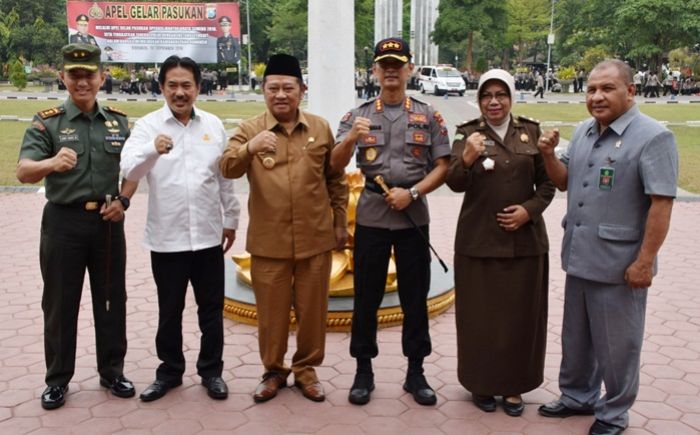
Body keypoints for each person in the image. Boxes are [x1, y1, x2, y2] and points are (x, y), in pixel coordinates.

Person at [536, 59, 678, 435]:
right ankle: (577, 396)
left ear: (630, 91)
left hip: (621, 263)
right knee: (577, 338)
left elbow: (662, 204)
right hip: (580, 254)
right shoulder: (584, 131)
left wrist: (645, 261)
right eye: (591, 89)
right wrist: (549, 155)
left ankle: (614, 412)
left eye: (607, 88)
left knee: (618, 346)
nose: (596, 96)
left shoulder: (653, 137)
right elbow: (565, 182)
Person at [220, 53, 348, 404]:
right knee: (271, 316)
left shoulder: (320, 128)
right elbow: (227, 167)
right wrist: (251, 147)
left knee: (313, 313)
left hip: (315, 237)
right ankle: (273, 371)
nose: (280, 94)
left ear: (301, 90)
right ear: (263, 91)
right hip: (269, 240)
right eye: (273, 87)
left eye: (288, 88)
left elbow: (335, 179)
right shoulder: (250, 129)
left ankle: (307, 370)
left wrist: (340, 222)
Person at [331, 37, 450, 407]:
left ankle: (416, 372)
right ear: (375, 71)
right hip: (371, 217)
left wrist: (412, 194)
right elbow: (334, 165)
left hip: (412, 216)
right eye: (385, 64)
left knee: (415, 297)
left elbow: (443, 165)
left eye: (398, 64)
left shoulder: (429, 115)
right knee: (366, 297)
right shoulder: (358, 115)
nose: (391, 70)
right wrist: (351, 138)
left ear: (409, 69)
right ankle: (363, 371)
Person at [16, 43, 135, 410]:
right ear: (63, 78)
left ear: (102, 78)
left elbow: (135, 169)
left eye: (89, 75)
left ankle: (112, 371)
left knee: (112, 300)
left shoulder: (118, 121)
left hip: (107, 223)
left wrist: (124, 201)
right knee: (60, 303)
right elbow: (23, 171)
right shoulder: (47, 121)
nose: (82, 81)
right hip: (63, 222)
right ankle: (57, 380)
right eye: (75, 75)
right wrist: (51, 163)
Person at [120, 55, 240, 402]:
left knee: (211, 310)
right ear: (161, 88)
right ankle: (170, 371)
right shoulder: (147, 126)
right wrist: (151, 150)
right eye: (172, 85)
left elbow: (225, 179)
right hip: (167, 238)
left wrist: (231, 219)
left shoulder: (213, 125)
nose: (180, 92)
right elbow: (129, 169)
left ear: (198, 88)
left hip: (207, 236)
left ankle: (211, 371)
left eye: (187, 84)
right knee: (169, 310)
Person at [445, 69, 555, 416]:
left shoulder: (530, 133)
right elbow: (454, 183)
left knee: (521, 318)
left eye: (501, 95)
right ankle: (481, 383)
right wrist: (467, 157)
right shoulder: (467, 134)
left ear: (511, 97)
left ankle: (514, 387)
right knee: (479, 318)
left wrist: (528, 211)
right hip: (478, 243)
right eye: (487, 96)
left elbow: (548, 184)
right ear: (479, 101)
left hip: (524, 243)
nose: (494, 102)